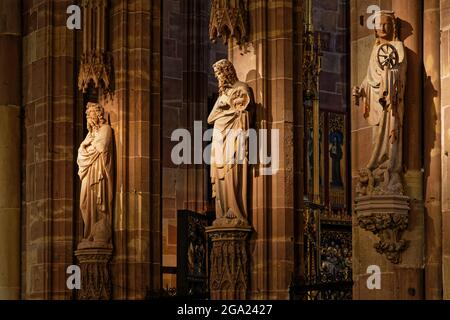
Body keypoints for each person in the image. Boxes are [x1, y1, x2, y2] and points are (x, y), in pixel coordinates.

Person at [353, 10, 406, 195]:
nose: (382, 28)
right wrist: (360, 90)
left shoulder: (397, 46)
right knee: (377, 137)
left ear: (392, 27)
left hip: (391, 101)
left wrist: (390, 76)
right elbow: (369, 77)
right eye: (378, 25)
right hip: (376, 101)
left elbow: (400, 70)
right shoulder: (375, 50)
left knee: (392, 131)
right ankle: (376, 167)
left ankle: (390, 168)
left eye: (386, 24)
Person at [208, 59, 253, 227]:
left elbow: (245, 114)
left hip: (234, 140)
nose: (218, 78)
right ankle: (222, 212)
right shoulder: (223, 96)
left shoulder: (241, 89)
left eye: (219, 74)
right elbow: (210, 118)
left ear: (227, 72)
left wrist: (232, 112)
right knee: (220, 178)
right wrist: (221, 106)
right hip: (220, 140)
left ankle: (235, 211)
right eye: (216, 75)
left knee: (232, 175)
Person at [77, 102, 114, 248]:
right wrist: (83, 145)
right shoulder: (89, 135)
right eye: (87, 114)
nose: (88, 116)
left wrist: (89, 144)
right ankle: (88, 233)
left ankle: (99, 233)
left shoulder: (105, 129)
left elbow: (102, 146)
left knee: (98, 202)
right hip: (88, 172)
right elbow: (81, 156)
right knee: (84, 202)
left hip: (99, 172)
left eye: (91, 113)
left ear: (98, 114)